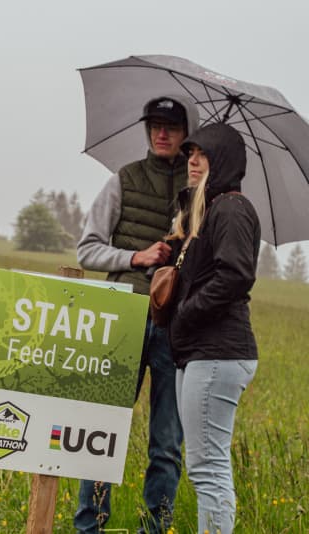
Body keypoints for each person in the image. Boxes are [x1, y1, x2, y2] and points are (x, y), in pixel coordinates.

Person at [74, 96, 199, 533]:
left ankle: (156, 528)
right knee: (101, 431)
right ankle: (90, 525)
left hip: (176, 327)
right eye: (154, 125)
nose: (161, 133)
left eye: (171, 126)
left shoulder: (203, 188)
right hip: (123, 319)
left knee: (167, 443)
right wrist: (136, 257)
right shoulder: (122, 181)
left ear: (187, 133)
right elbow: (87, 249)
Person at [168, 123, 259, 534]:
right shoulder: (208, 211)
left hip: (218, 352)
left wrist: (186, 312)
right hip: (200, 352)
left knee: (209, 469)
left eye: (203, 153)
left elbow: (236, 276)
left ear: (221, 160)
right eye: (190, 152)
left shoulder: (233, 208)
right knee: (203, 467)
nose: (192, 159)